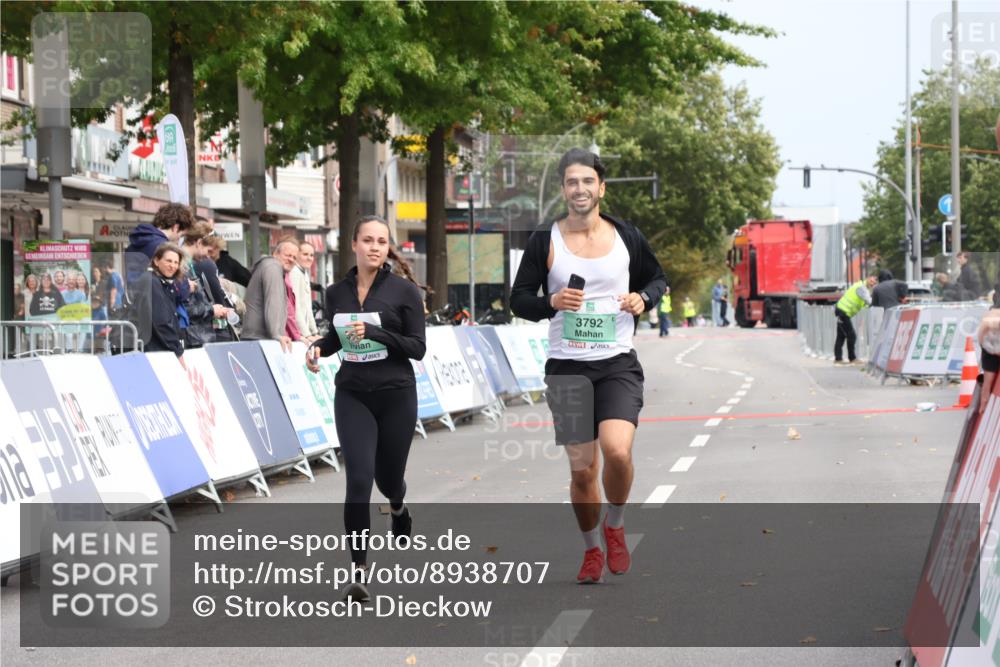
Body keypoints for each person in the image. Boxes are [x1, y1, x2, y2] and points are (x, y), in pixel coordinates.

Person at [510, 148, 667, 584]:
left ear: (601, 187)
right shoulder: (546, 240)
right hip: (567, 367)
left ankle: (614, 524)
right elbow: (518, 299)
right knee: (582, 472)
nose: (579, 189)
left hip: (616, 363)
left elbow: (657, 279)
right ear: (563, 189)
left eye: (586, 181)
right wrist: (551, 302)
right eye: (570, 182)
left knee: (618, 451)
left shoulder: (626, 236)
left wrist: (643, 299)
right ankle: (592, 549)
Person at [306, 215, 426, 601]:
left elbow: (417, 349)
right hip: (353, 393)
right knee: (358, 480)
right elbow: (337, 338)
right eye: (368, 240)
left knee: (387, 480)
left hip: (396, 395)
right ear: (354, 244)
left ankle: (398, 505)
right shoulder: (335, 293)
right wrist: (318, 349)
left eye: (381, 241)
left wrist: (376, 333)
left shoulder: (405, 292)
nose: (375, 247)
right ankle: (358, 572)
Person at [181, 223, 237, 346]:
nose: (209, 256)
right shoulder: (181, 265)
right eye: (209, 251)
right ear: (199, 243)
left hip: (195, 337)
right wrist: (211, 310)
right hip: (191, 339)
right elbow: (184, 308)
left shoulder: (189, 265)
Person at [241, 239, 299, 350]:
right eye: (287, 255)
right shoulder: (273, 267)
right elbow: (273, 302)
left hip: (255, 337)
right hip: (260, 339)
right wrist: (276, 334)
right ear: (275, 254)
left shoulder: (270, 267)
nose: (291, 259)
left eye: (295, 257)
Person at [128, 244, 184, 356]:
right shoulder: (151, 282)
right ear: (156, 261)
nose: (172, 266)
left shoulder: (164, 283)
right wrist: (177, 351)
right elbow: (161, 322)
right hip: (152, 351)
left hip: (156, 349)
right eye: (168, 261)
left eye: (176, 262)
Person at [125, 203, 195, 283]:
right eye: (181, 235)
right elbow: (171, 284)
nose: (179, 239)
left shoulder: (140, 239)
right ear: (176, 228)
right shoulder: (164, 247)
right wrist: (187, 287)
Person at [833, 275, 877, 365]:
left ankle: (838, 359)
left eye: (875, 283)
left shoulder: (861, 287)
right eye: (872, 281)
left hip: (842, 311)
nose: (873, 283)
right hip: (843, 311)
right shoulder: (862, 288)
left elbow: (864, 304)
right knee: (851, 335)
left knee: (841, 336)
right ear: (868, 278)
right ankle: (852, 358)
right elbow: (869, 301)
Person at [291, 240, 321, 342]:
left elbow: (308, 307)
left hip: (303, 332)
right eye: (305, 254)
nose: (309, 258)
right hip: (296, 334)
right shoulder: (294, 272)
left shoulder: (304, 273)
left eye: (311, 255)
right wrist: (307, 334)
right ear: (297, 255)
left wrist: (315, 332)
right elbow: (295, 306)